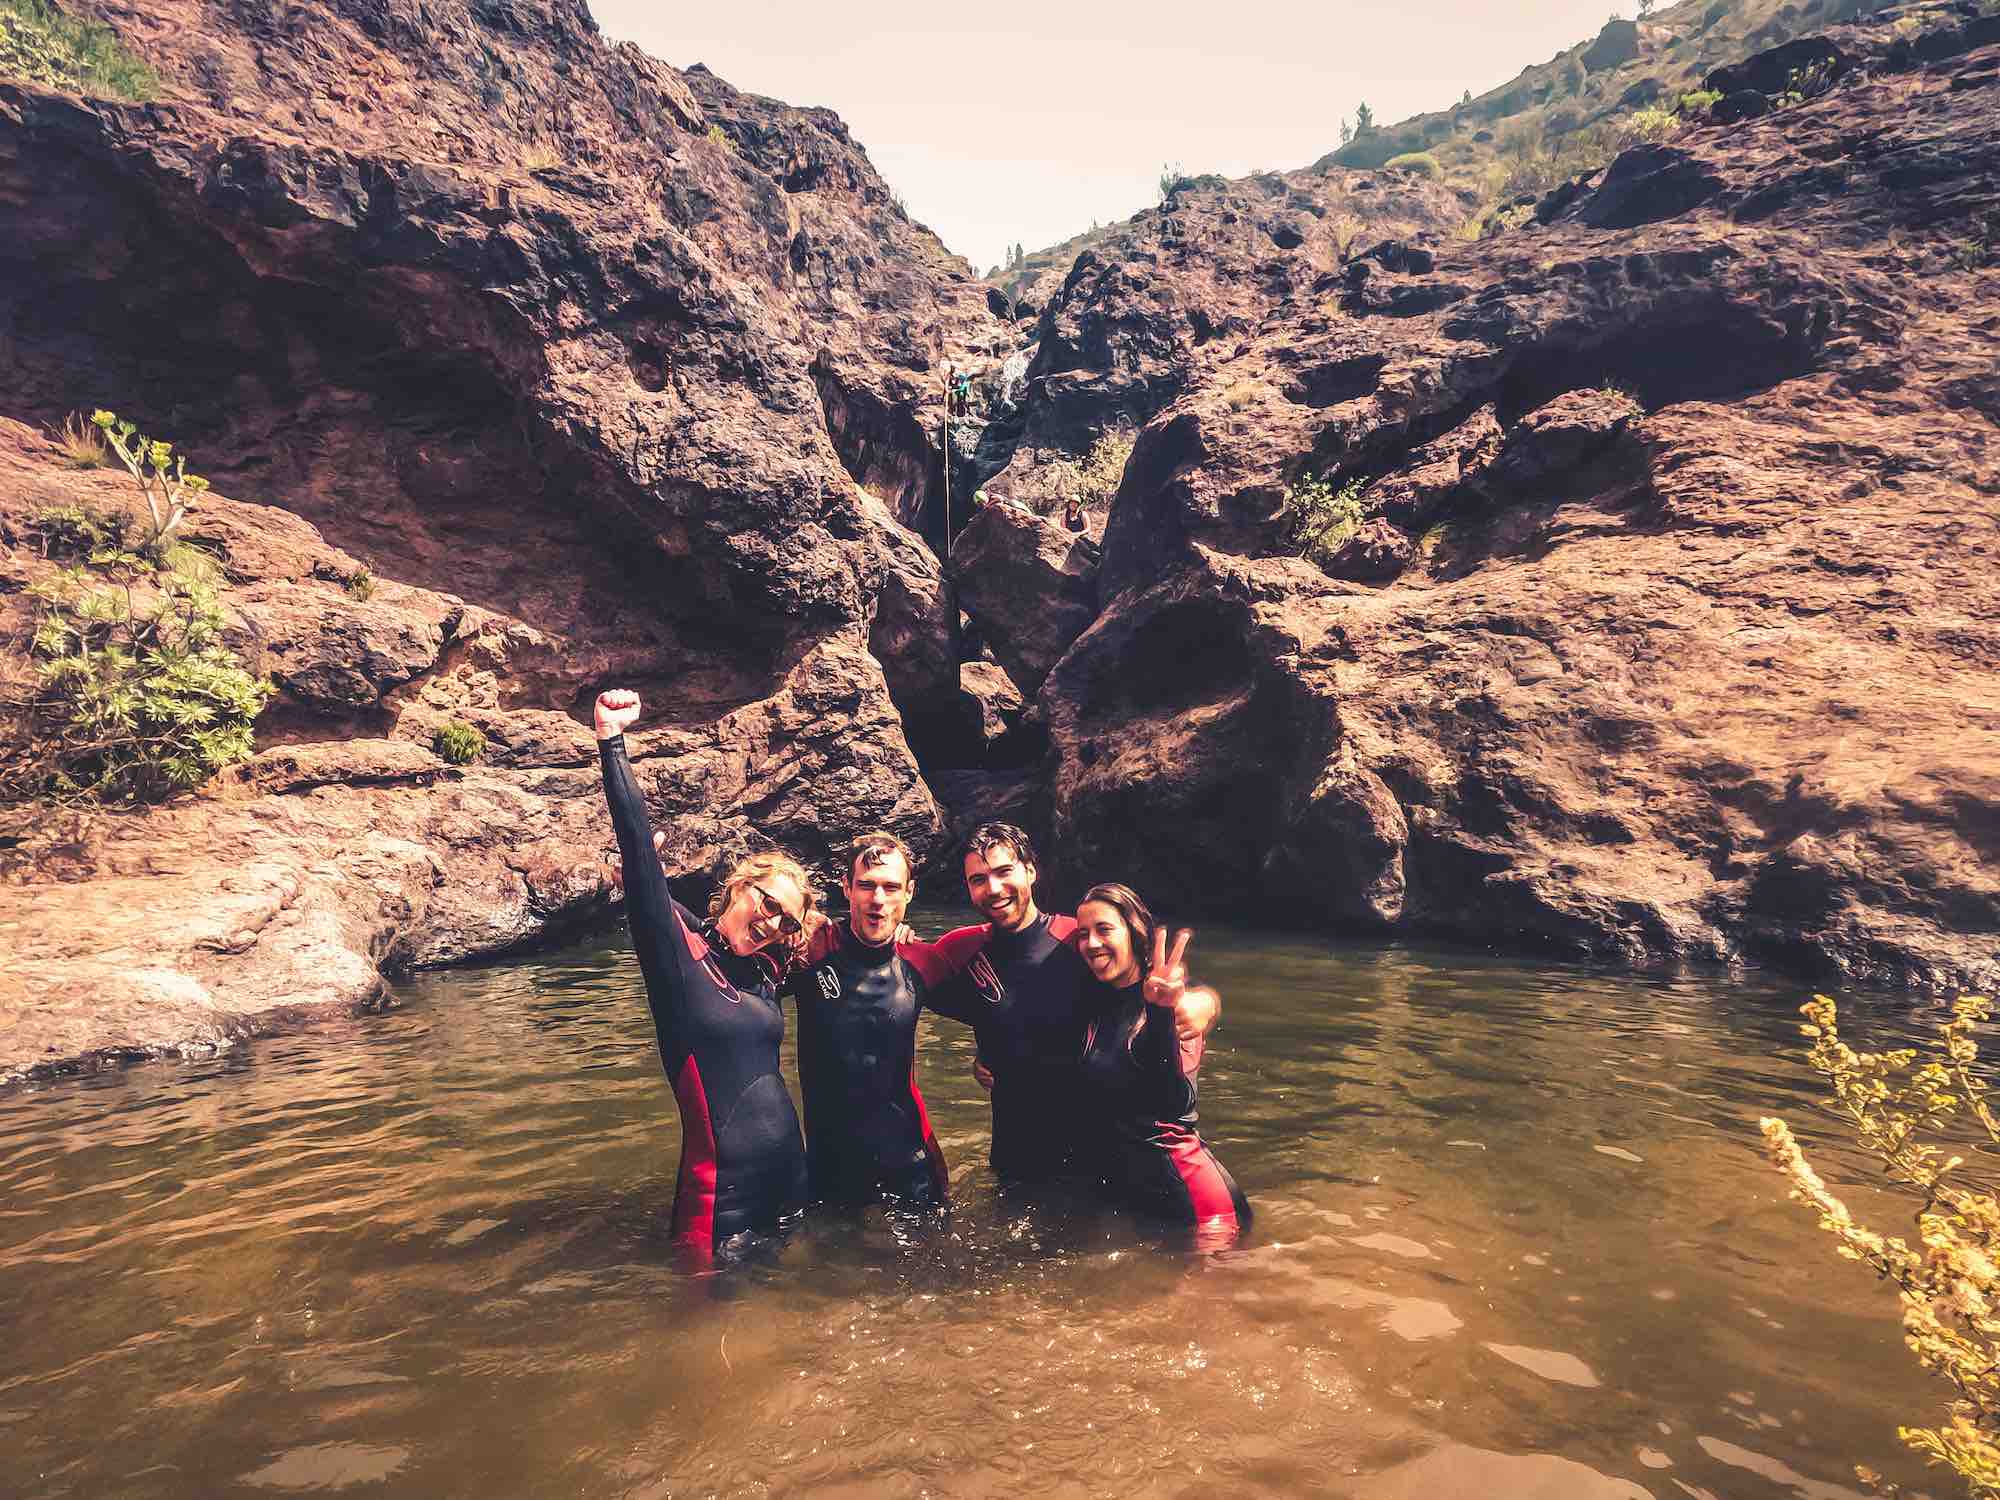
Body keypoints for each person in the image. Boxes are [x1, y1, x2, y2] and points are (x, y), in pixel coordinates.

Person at [595, 688, 813, 1270]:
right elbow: (640, 849)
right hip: (723, 1201)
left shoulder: (760, 969)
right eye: (767, 902)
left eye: (786, 919)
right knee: (712, 1346)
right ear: (740, 886)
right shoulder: (678, 959)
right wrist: (613, 742)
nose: (772, 921)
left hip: (791, 1180)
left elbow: (813, 941)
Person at [899, 823, 1221, 1182]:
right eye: (978, 879)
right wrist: (898, 935)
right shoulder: (959, 950)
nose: (993, 888)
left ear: (1031, 871)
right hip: (1012, 1159)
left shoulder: (1078, 938)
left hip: (1093, 1162)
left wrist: (1202, 1002)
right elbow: (900, 976)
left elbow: (1152, 983)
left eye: (1005, 871)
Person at [1072, 883, 1250, 1247]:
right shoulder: (1100, 1004)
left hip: (1201, 1207)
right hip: (1141, 1201)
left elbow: (1174, 1098)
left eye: (1105, 930)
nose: (1092, 943)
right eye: (1083, 934)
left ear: (1135, 932)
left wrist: (1163, 1011)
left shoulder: (1176, 1008)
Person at [783, 831, 953, 1208]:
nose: (878, 900)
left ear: (909, 892)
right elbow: (735, 972)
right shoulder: (812, 950)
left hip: (911, 1161)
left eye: (891, 887)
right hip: (831, 1164)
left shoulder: (923, 960)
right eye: (866, 886)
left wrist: (988, 1055)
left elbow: (993, 1011)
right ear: (846, 887)